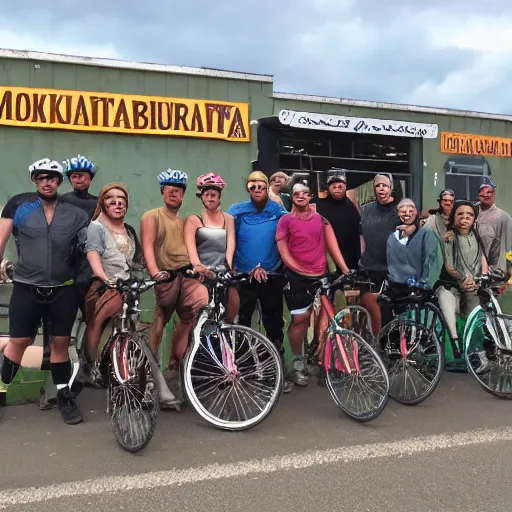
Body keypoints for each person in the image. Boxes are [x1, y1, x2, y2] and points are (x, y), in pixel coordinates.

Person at [0, 158, 89, 425]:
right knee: (19, 342)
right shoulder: (19, 205)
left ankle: (64, 398)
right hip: (27, 287)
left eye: (51, 178)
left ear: (58, 181)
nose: (47, 182)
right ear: (35, 181)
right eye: (41, 177)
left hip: (63, 289)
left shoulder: (74, 211)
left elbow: (88, 245)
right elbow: (2, 239)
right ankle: (1, 391)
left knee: (60, 344)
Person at [140, 169, 209, 401]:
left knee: (196, 309)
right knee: (160, 318)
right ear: (162, 192)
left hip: (184, 275)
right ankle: (151, 375)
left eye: (178, 191)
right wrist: (154, 272)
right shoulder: (152, 216)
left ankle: (177, 366)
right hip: (165, 277)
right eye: (170, 190)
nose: (174, 193)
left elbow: (189, 249)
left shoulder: (183, 221)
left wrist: (195, 267)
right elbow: (148, 246)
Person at [276, 183, 350, 388]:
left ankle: (325, 362)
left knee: (327, 319)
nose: (300, 197)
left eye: (304, 194)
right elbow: (283, 251)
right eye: (296, 194)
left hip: (321, 275)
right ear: (291, 197)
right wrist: (298, 269)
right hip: (297, 278)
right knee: (300, 319)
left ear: (310, 197)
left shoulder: (320, 219)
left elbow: (332, 245)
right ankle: (298, 364)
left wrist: (345, 270)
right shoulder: (285, 220)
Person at [226, 171, 291, 391]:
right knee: (242, 322)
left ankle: (277, 371)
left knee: (274, 323)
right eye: (252, 186)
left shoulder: (279, 212)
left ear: (266, 188)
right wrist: (234, 267)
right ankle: (242, 370)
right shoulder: (236, 211)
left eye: (260, 186)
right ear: (248, 189)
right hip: (243, 276)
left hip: (271, 274)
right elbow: (228, 240)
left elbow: (291, 235)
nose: (256, 190)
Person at [437, 201, 489, 366]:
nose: (465, 219)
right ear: (454, 217)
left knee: (477, 317)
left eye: (469, 215)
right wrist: (463, 279)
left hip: (475, 285)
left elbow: (483, 259)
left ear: (474, 219)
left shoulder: (478, 237)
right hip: (455, 285)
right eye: (460, 215)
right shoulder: (450, 238)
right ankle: (457, 350)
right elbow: (449, 266)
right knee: (450, 308)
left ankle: (480, 355)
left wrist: (482, 277)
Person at [183, 173, 239, 322]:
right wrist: (197, 266)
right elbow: (191, 247)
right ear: (201, 197)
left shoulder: (229, 219)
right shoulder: (194, 220)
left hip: (222, 273)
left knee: (231, 309)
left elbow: (230, 244)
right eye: (206, 194)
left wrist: (229, 268)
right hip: (202, 274)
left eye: (214, 194)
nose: (210, 198)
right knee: (201, 316)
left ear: (219, 197)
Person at [359, 173, 400, 335]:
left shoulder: (399, 210)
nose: (381, 189)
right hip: (368, 267)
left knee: (387, 310)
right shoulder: (366, 209)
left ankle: (388, 346)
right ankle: (372, 346)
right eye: (378, 185)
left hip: (390, 268)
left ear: (391, 187)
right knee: (368, 310)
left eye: (385, 185)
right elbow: (360, 235)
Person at [386, 198, 442, 294]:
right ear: (398, 213)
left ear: (417, 212)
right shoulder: (393, 236)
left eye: (411, 210)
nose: (407, 214)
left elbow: (432, 259)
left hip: (420, 290)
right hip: (396, 288)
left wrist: (424, 285)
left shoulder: (426, 233)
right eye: (403, 211)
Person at [315, 170, 361, 271]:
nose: (337, 190)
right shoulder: (319, 206)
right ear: (329, 188)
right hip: (327, 258)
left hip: (351, 258)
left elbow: (358, 233)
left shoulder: (352, 206)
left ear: (345, 186)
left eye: (340, 187)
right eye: (334, 187)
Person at [476, 178, 512, 274]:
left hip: (493, 273)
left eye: (490, 192)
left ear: (494, 194)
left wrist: (506, 275)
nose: (487, 195)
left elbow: (508, 248)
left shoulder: (503, 218)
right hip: (469, 273)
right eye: (483, 192)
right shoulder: (470, 212)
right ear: (478, 194)